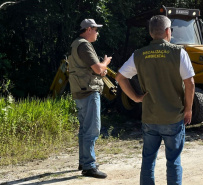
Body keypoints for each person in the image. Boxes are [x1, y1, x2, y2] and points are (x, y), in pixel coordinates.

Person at [115, 15, 195, 185]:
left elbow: (120, 77)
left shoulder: (139, 55)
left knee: (148, 160)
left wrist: (136, 98)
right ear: (168, 31)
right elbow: (190, 84)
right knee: (173, 161)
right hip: (173, 118)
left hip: (150, 118)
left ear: (151, 33)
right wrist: (188, 109)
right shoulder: (179, 52)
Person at [68, 19, 112, 178]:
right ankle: (89, 166)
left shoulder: (75, 44)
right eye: (96, 30)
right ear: (88, 29)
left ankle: (84, 161)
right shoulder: (84, 45)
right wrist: (105, 63)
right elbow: (98, 68)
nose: (97, 33)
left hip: (80, 90)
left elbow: (93, 69)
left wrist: (101, 69)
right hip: (88, 91)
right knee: (92, 129)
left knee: (84, 129)